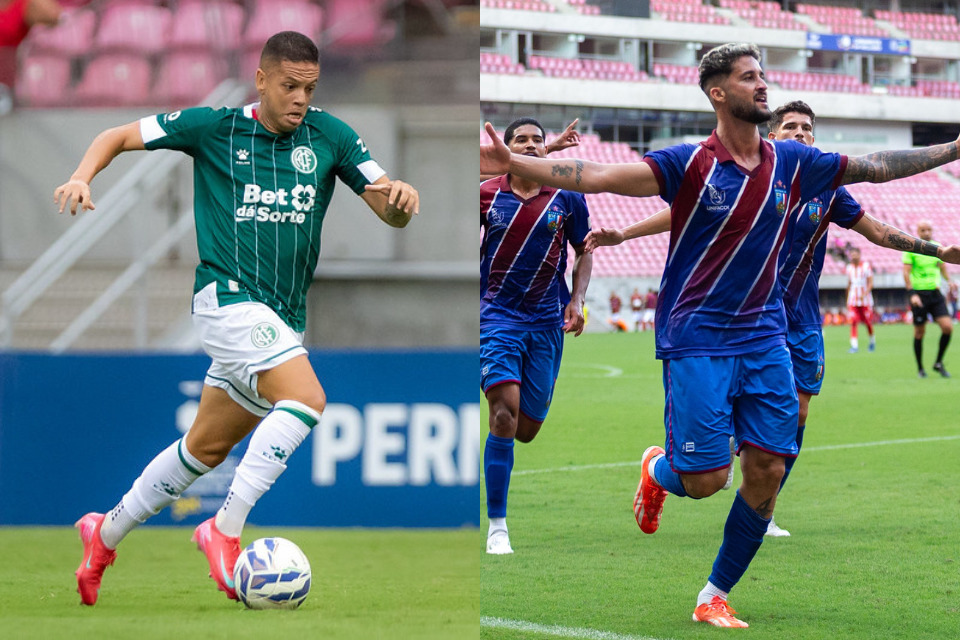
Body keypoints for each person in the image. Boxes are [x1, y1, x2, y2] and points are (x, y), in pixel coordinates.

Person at [481, 42, 960, 627]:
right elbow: (598, 173)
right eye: (748, 77)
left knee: (767, 469)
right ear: (717, 92)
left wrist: (954, 148)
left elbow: (878, 165)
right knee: (705, 479)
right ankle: (659, 470)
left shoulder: (795, 165)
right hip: (696, 336)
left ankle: (713, 593)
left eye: (763, 75)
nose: (762, 85)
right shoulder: (688, 163)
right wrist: (517, 165)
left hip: (765, 335)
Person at [56, 31, 419, 606]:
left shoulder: (332, 135)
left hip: (281, 319)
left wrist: (396, 200)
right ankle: (223, 529)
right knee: (306, 400)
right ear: (262, 79)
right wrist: (83, 174)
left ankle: (103, 534)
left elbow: (382, 201)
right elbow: (118, 134)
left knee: (203, 450)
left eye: (310, 87)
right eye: (290, 86)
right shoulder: (214, 127)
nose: (301, 98)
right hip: (226, 300)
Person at [584, 99, 960, 543]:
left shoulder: (828, 190)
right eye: (791, 127)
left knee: (796, 417)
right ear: (773, 135)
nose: (800, 134)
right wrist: (625, 233)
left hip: (800, 321)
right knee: (710, 470)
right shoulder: (754, 178)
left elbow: (876, 231)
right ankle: (663, 470)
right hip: (743, 321)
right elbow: (685, 210)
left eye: (807, 128)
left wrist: (938, 252)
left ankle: (765, 507)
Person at [481, 116, 592, 555]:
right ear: (505, 148)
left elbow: (584, 251)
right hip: (497, 319)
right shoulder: (487, 194)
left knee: (525, 429)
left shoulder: (567, 198)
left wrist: (577, 299)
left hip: (547, 322)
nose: (529, 145)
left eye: (536, 140)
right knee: (503, 413)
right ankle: (497, 526)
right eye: (520, 140)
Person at [904, 221, 954, 378]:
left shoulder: (937, 248)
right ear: (917, 231)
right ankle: (920, 368)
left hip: (935, 293)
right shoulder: (910, 248)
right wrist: (912, 293)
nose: (926, 232)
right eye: (923, 230)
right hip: (919, 295)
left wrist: (949, 281)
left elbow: (942, 267)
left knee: (947, 327)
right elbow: (906, 273)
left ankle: (938, 363)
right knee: (919, 332)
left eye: (928, 230)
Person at [845, 247, 875, 353]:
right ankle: (854, 346)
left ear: (859, 255)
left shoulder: (866, 266)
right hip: (853, 300)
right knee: (853, 321)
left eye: (855, 254)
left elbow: (870, 282)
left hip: (865, 300)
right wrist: (847, 299)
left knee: (867, 322)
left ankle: (872, 341)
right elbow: (848, 284)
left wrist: (865, 293)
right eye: (851, 254)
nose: (853, 256)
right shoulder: (849, 268)